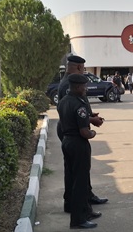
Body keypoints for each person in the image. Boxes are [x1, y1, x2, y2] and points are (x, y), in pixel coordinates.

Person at [57, 55, 108, 209]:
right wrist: (91, 121)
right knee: (77, 170)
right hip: (73, 132)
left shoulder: (68, 81)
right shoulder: (70, 84)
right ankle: (75, 203)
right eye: (84, 68)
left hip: (72, 129)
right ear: (79, 67)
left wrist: (90, 116)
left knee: (78, 169)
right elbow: (72, 111)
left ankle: (85, 196)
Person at [57, 74, 99, 229]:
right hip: (78, 143)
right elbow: (84, 132)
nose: (86, 89)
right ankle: (78, 219)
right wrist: (93, 133)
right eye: (84, 86)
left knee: (72, 178)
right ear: (77, 87)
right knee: (80, 182)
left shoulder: (62, 102)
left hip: (67, 141)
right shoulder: (80, 105)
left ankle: (83, 211)